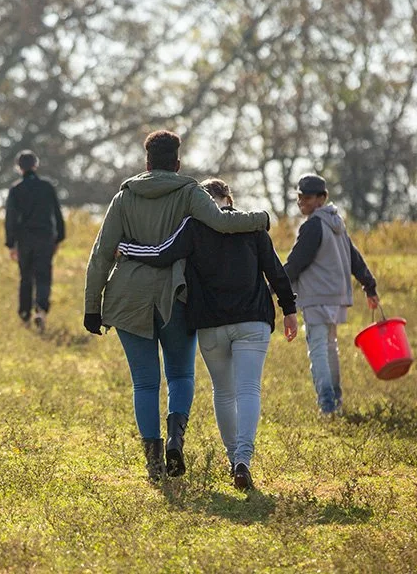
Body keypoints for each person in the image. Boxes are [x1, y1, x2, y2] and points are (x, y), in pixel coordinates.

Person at [83, 130, 271, 482]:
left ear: (147, 162)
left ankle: (153, 461)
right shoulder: (189, 192)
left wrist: (92, 306)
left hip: (127, 297)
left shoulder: (123, 198)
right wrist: (260, 220)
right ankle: (175, 439)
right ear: (178, 162)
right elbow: (221, 221)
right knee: (181, 374)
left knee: (144, 383)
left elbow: (101, 254)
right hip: (177, 294)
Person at [117, 179, 298, 490]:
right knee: (249, 390)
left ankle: (231, 459)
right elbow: (275, 270)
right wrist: (289, 309)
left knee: (224, 393)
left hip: (211, 324)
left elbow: (162, 254)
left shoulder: (193, 227)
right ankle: (242, 461)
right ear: (229, 198)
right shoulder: (252, 226)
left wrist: (128, 249)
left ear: (200, 201)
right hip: (252, 321)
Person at [283, 174, 379, 416]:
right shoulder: (336, 223)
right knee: (330, 348)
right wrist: (369, 285)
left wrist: (273, 287)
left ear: (322, 198)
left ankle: (327, 406)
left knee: (318, 350)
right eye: (299, 197)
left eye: (308, 197)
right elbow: (354, 257)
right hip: (335, 298)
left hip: (317, 297)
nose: (302, 202)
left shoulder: (314, 225)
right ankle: (336, 401)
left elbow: (297, 262)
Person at [4, 150, 65, 332]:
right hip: (45, 237)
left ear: (19, 168)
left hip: (25, 240)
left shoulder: (16, 190)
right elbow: (57, 213)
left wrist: (11, 243)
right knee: (43, 276)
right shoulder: (47, 187)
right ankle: (41, 310)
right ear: (36, 165)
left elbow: (10, 219)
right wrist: (59, 237)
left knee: (26, 277)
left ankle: (25, 315)